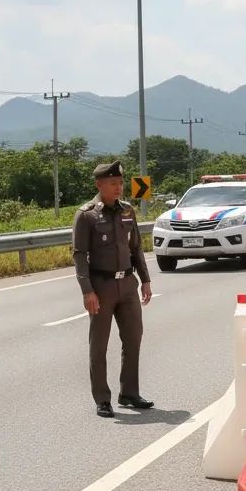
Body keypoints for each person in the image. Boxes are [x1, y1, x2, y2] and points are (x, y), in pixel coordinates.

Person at [72, 160, 154, 418]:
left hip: (128, 284)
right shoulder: (86, 215)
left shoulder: (128, 211)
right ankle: (102, 398)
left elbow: (136, 248)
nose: (118, 187)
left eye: (120, 183)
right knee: (99, 345)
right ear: (99, 185)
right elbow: (79, 255)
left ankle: (129, 392)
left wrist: (145, 279)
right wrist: (87, 290)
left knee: (133, 338)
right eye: (113, 183)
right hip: (101, 285)